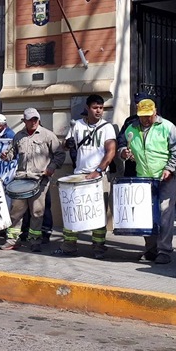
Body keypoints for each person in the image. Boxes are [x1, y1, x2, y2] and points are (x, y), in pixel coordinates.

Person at [118, 99, 176, 264]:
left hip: (166, 177)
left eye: (149, 115)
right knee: (146, 216)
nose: (146, 119)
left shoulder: (167, 127)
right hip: (144, 178)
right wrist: (123, 153)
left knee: (164, 213)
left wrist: (170, 168)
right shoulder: (131, 128)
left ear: (155, 112)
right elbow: (122, 147)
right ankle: (151, 249)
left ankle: (164, 250)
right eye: (142, 116)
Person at [57, 95, 116, 258]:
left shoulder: (107, 128)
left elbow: (111, 150)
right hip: (80, 175)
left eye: (101, 108)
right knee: (72, 210)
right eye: (95, 107)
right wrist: (67, 144)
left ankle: (98, 246)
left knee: (98, 212)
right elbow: (65, 146)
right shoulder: (77, 125)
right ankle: (69, 245)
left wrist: (99, 170)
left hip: (99, 176)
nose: (98, 111)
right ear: (87, 108)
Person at [0, 108, 65, 252]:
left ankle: (35, 241)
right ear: (25, 121)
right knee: (16, 212)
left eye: (35, 119)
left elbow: (60, 154)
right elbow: (12, 153)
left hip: (39, 180)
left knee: (37, 212)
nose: (33, 122)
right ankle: (12, 240)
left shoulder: (48, 135)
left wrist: (51, 168)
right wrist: (6, 156)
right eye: (30, 119)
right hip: (21, 180)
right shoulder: (18, 136)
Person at [118, 92, 154, 177]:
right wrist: (124, 151)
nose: (138, 105)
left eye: (141, 103)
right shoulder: (130, 121)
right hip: (133, 165)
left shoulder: (160, 122)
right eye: (137, 103)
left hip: (153, 168)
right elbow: (122, 139)